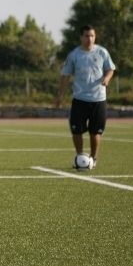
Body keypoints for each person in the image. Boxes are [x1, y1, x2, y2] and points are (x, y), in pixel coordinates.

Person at [55, 25, 116, 169]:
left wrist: (107, 78)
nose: (90, 39)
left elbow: (110, 69)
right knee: (76, 131)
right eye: (87, 36)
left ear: (95, 37)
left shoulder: (102, 52)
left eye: (92, 36)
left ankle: (93, 159)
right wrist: (60, 96)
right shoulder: (74, 55)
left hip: (98, 99)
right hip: (80, 99)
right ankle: (80, 157)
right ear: (81, 37)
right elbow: (65, 76)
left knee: (95, 132)